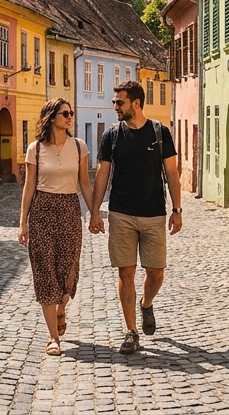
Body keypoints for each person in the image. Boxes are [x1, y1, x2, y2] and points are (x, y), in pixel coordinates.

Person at [90, 80, 181, 355]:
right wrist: (95, 211)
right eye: (115, 101)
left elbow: (172, 173)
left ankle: (146, 304)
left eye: (120, 102)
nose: (114, 106)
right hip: (121, 213)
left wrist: (177, 210)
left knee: (155, 272)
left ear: (136, 103)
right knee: (125, 271)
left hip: (154, 213)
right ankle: (131, 331)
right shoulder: (112, 135)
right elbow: (102, 174)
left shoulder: (160, 133)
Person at [18, 99, 96, 357]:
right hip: (42, 211)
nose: (70, 117)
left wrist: (95, 212)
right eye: (65, 113)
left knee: (68, 270)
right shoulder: (36, 149)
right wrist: (23, 223)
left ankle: (61, 307)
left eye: (71, 113)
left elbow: (85, 183)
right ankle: (53, 338)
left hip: (70, 211)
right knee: (44, 273)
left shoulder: (79, 147)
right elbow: (29, 187)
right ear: (52, 117)